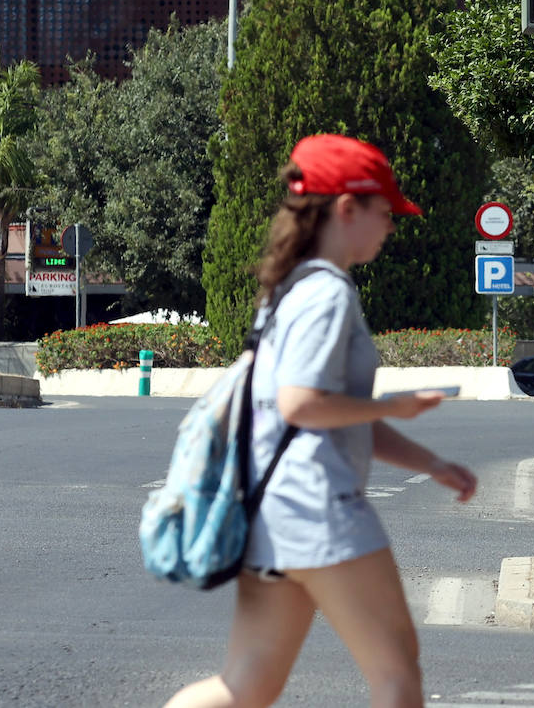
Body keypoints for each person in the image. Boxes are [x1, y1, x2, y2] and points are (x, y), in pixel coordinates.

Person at [164, 134, 477, 708]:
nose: (390, 225)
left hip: (271, 512)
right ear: (346, 208)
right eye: (385, 212)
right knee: (397, 673)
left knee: (245, 685)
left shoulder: (288, 292)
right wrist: (395, 404)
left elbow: (328, 417)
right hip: (322, 510)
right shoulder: (329, 293)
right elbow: (301, 404)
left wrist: (431, 463)